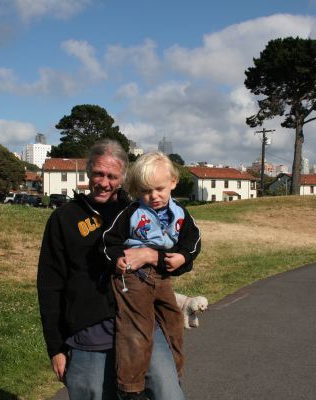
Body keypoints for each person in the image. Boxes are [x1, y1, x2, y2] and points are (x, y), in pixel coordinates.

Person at [37, 140, 187, 400]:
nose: (104, 182)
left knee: (169, 394)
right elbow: (50, 286)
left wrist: (151, 255)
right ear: (88, 171)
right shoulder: (64, 218)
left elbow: (178, 258)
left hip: (142, 322)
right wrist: (56, 347)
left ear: (123, 178)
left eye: (112, 176)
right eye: (98, 174)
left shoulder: (138, 211)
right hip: (89, 332)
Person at [102, 151, 201, 399]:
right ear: (137, 191)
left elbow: (193, 240)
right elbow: (108, 240)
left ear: (173, 183)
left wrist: (183, 256)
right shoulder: (131, 212)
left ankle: (173, 374)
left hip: (161, 277)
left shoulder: (180, 213)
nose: (153, 196)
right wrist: (117, 259)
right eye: (146, 191)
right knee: (137, 328)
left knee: (174, 322)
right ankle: (131, 388)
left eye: (159, 189)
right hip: (133, 277)